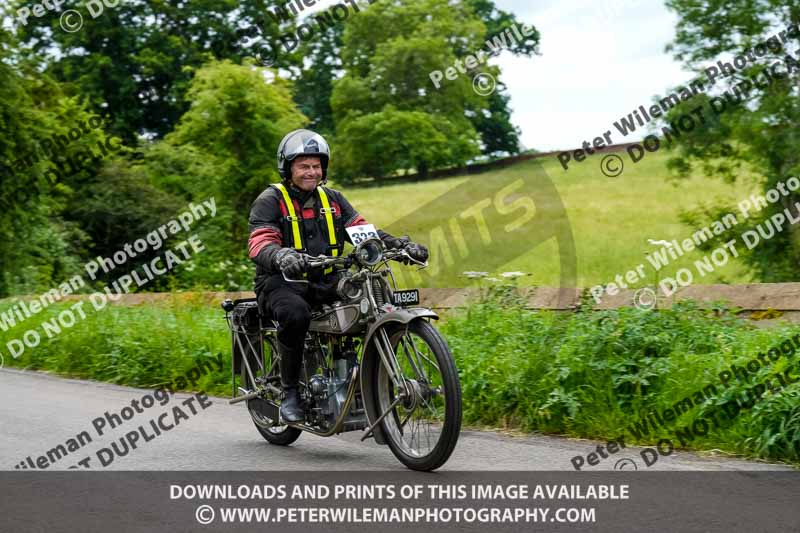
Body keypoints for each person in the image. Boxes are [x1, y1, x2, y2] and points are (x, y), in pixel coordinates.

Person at [247, 129, 429, 423]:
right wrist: (281, 255)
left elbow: (362, 231)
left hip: (327, 280)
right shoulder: (270, 200)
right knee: (295, 314)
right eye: (304, 165)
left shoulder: (332, 199)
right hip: (282, 283)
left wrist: (401, 245)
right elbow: (259, 241)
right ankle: (290, 392)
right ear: (288, 167)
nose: (311, 172)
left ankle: (365, 384)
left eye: (316, 166)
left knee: (370, 304)